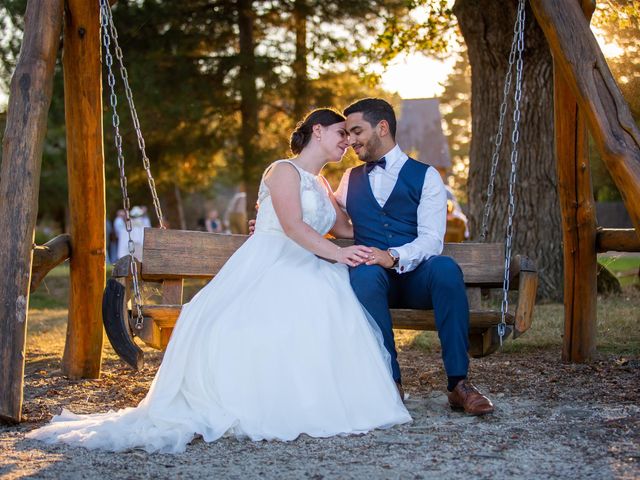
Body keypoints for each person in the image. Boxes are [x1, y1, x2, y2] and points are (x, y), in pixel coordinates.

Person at [25, 108, 411, 453]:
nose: (348, 141)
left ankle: (322, 401)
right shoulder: (283, 170)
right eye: (342, 133)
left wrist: (383, 227)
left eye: (350, 135)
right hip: (272, 261)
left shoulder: (325, 185)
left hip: (313, 263)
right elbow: (292, 226)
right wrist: (338, 254)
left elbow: (345, 227)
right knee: (263, 318)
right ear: (318, 131)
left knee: (331, 307)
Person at [336, 98, 493, 415]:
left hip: (417, 279)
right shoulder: (347, 180)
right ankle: (390, 383)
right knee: (364, 273)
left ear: (382, 128)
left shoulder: (427, 176)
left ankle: (458, 384)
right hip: (374, 282)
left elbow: (432, 240)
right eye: (348, 134)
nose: (350, 140)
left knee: (446, 268)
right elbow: (322, 216)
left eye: (356, 131)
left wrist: (392, 256)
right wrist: (274, 223)